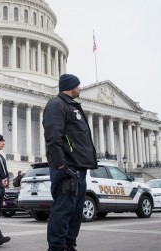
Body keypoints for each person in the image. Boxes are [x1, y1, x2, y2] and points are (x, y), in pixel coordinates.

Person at [43, 74, 97, 251]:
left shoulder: (72, 106)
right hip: (67, 168)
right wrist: (61, 165)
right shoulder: (56, 104)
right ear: (71, 86)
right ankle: (56, 247)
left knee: (75, 211)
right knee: (63, 209)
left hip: (79, 168)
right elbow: (53, 138)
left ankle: (68, 244)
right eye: (78, 85)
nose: (81, 88)